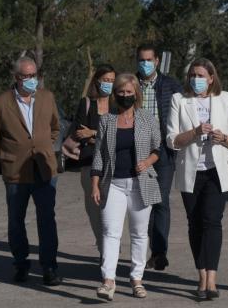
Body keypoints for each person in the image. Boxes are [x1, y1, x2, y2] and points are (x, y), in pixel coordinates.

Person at [166, 58, 228, 299]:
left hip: (216, 172)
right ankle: (201, 274)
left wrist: (222, 138)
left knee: (213, 221)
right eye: (192, 75)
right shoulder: (179, 100)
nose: (195, 79)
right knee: (195, 223)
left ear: (211, 78)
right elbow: (173, 140)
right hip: (191, 171)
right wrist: (196, 132)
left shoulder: (225, 98)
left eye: (200, 75)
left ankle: (212, 279)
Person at [0, 56, 62, 285]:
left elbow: (55, 128)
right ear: (16, 77)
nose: (31, 80)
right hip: (16, 172)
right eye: (26, 76)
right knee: (16, 220)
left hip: (44, 169)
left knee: (47, 220)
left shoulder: (47, 98)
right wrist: (11, 154)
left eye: (34, 76)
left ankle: (49, 267)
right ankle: (21, 264)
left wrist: (43, 146)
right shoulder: (1, 103)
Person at [91, 73, 162, 301]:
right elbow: (99, 157)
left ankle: (136, 279)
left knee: (139, 234)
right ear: (115, 94)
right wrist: (95, 185)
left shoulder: (148, 119)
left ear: (136, 95)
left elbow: (158, 148)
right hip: (112, 184)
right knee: (110, 233)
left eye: (129, 92)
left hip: (141, 183)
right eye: (121, 92)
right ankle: (108, 281)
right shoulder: (106, 120)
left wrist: (147, 162)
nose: (124, 96)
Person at [135, 43, 182, 271]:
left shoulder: (171, 85)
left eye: (148, 60)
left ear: (156, 61)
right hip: (138, 150)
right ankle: (146, 251)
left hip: (164, 150)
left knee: (160, 200)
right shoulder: (129, 84)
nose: (145, 64)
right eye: (141, 60)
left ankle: (160, 252)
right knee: (145, 201)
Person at [69, 64, 116, 258]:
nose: (109, 84)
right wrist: (98, 138)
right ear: (97, 80)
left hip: (114, 166)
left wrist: (94, 134)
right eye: (105, 80)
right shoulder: (87, 103)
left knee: (111, 211)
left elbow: (119, 134)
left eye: (112, 81)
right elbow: (79, 133)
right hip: (89, 164)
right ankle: (103, 247)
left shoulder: (118, 105)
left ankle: (110, 248)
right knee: (94, 210)